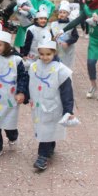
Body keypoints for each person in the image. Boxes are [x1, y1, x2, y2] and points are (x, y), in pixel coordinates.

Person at [28, 40, 76, 171]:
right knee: (45, 129)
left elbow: (67, 92)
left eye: (48, 54)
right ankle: (49, 147)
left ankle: (42, 157)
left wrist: (68, 110)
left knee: (46, 129)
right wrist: (25, 96)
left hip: (53, 106)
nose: (44, 57)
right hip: (38, 106)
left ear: (54, 52)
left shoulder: (61, 70)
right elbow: (30, 82)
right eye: (41, 54)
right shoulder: (34, 67)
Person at [0, 30, 28, 159]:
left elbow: (22, 77)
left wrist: (21, 92)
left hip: (10, 97)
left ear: (7, 45)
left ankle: (13, 136)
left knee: (9, 123)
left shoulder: (16, 60)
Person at [50, 1, 79, 68]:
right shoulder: (54, 24)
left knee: (67, 67)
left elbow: (75, 36)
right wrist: (52, 39)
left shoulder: (71, 24)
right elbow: (51, 36)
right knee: (57, 66)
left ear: (68, 14)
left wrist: (68, 43)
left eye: (64, 12)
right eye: (60, 12)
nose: (62, 14)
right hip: (57, 49)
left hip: (68, 50)